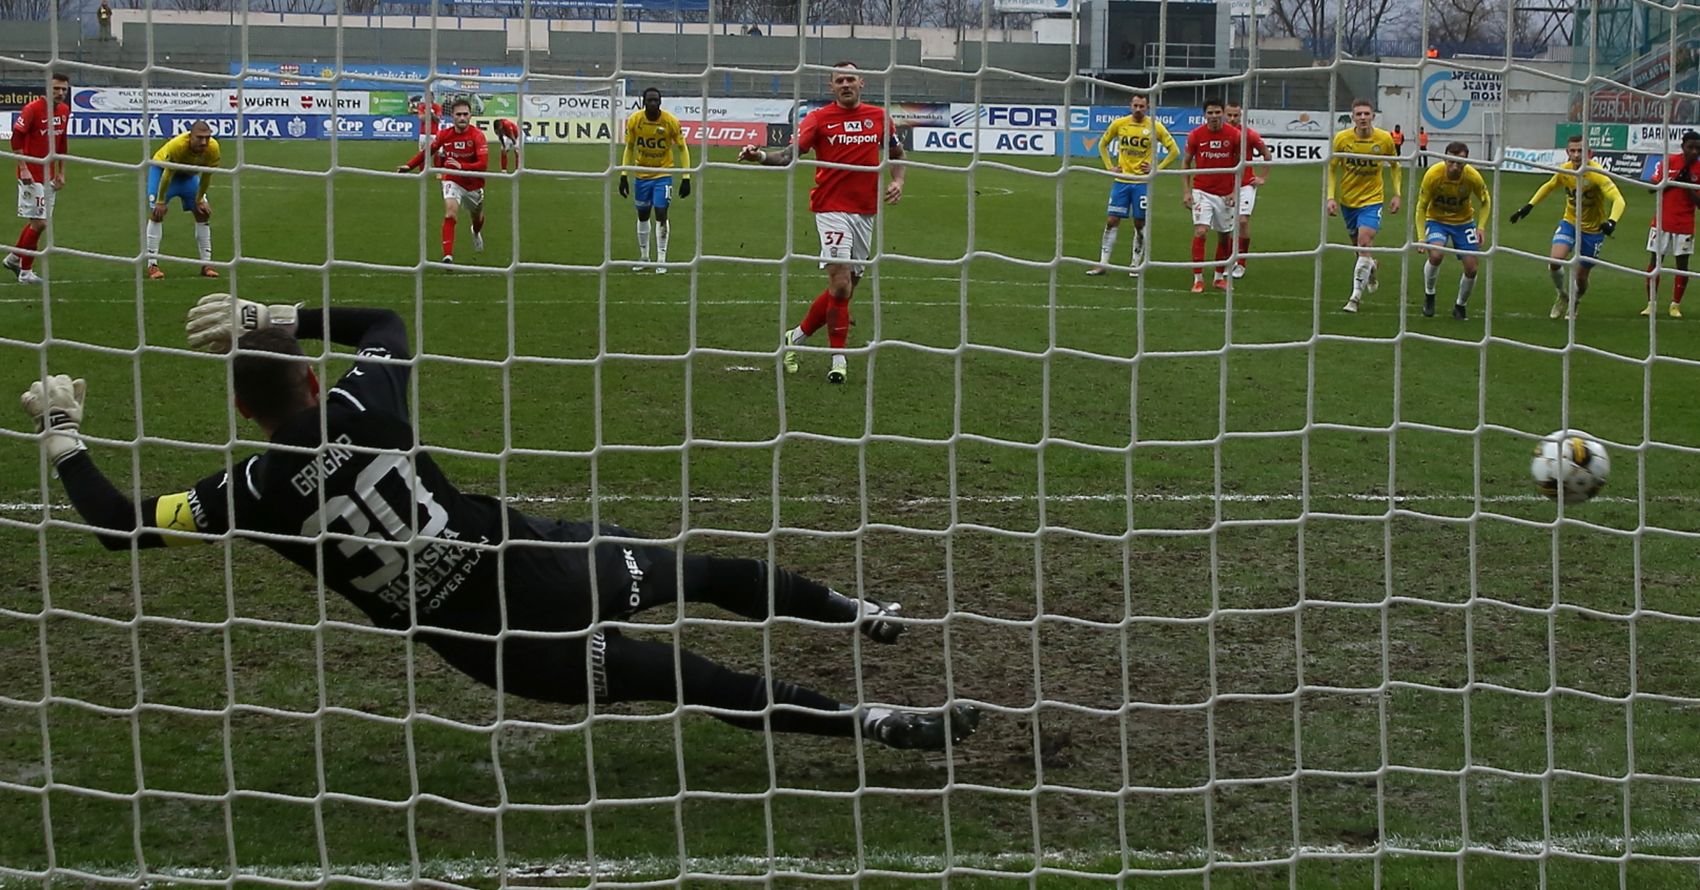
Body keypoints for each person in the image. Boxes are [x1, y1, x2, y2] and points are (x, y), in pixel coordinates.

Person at [17, 297, 979, 751]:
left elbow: (117, 524)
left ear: (243, 416)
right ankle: (860, 614)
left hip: (497, 651)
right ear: (311, 376)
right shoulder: (363, 407)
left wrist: (64, 435)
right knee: (706, 573)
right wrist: (279, 310)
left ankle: (877, 721)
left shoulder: (246, 493)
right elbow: (387, 325)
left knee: (697, 680)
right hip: (538, 575)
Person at [739, 62, 905, 385]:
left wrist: (898, 181)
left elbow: (897, 154)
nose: (845, 84)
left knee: (844, 290)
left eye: (850, 79)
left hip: (865, 212)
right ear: (831, 87)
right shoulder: (818, 119)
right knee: (841, 284)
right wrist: (759, 156)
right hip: (830, 208)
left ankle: (795, 338)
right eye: (839, 80)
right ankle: (838, 360)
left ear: (862, 82)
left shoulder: (879, 117)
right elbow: (789, 156)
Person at [1508, 134, 1626, 320]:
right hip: (1570, 222)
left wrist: (1612, 221)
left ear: (1590, 153)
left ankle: (1575, 301)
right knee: (1555, 261)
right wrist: (1529, 206)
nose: (1577, 155)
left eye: (1581, 151)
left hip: (1593, 231)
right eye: (1573, 151)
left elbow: (1618, 199)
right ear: (1567, 152)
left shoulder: (1597, 174)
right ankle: (1562, 295)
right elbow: (1549, 185)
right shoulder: (1565, 170)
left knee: (1581, 277)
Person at [1088, 93, 1178, 277]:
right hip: (1121, 182)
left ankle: (1135, 263)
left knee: (1139, 223)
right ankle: (1103, 263)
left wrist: (1156, 168)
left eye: (1142, 106)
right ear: (1131, 105)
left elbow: (1174, 151)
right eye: (1135, 105)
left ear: (1147, 108)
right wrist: (1109, 167)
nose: (1138, 109)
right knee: (1112, 221)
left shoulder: (1155, 127)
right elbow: (1103, 144)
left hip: (1142, 184)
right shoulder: (1120, 124)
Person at [1326, 99, 1401, 312]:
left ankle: (1354, 299)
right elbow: (1332, 168)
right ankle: (1372, 267)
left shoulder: (1384, 139)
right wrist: (1330, 197)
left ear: (1372, 117)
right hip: (1348, 201)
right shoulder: (1342, 139)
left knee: (1364, 242)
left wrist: (1397, 194)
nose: (1362, 117)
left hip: (1372, 200)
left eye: (1366, 113)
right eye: (1358, 114)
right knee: (1359, 250)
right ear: (1353, 117)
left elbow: (1395, 166)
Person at [396, 97, 489, 265]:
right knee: (450, 213)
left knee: (477, 219)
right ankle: (448, 256)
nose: (462, 118)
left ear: (470, 116)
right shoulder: (445, 135)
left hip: (474, 184)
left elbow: (483, 164)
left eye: (465, 114)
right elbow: (428, 151)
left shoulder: (477, 136)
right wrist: (409, 166)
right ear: (452, 116)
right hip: (452, 179)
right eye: (458, 114)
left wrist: (462, 165)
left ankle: (475, 233)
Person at [4, 71, 69, 286]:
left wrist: (61, 171)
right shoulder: (32, 109)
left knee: (39, 222)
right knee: (39, 223)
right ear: (47, 88)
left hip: (50, 174)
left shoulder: (64, 110)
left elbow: (62, 143)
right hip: (32, 176)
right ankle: (25, 272)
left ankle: (14, 258)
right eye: (56, 88)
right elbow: (16, 138)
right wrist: (23, 168)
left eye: (64, 89)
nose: (60, 93)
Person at [1415, 141, 1490, 320]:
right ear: (1445, 159)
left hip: (1464, 222)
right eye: (1451, 161)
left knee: (1472, 268)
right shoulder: (1433, 175)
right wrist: (1421, 237)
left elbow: (1486, 201)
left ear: (1466, 161)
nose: (1455, 166)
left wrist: (1481, 227)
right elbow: (1421, 207)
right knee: (1436, 255)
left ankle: (1460, 305)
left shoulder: (1473, 177)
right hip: (1437, 220)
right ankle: (1429, 295)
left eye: (1460, 162)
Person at [619, 88, 691, 273]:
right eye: (649, 100)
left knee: (661, 212)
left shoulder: (670, 122)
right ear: (644, 102)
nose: (653, 103)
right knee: (642, 215)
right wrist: (624, 175)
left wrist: (686, 177)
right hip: (641, 174)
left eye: (656, 100)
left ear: (660, 102)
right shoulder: (635, 120)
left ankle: (661, 259)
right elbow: (629, 148)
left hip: (663, 173)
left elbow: (682, 148)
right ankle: (644, 257)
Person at [1181, 98, 1245, 293]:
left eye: (1218, 112)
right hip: (1202, 191)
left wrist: (1235, 191)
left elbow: (1240, 167)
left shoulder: (1234, 135)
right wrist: (1186, 191)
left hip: (1225, 194)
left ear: (1223, 114)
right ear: (1205, 115)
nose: (1215, 116)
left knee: (1224, 236)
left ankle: (1218, 278)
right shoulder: (1196, 135)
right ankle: (1198, 279)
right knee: (1201, 231)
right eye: (1211, 112)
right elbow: (1186, 163)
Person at [145, 120, 222, 280]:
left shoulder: (213, 148)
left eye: (207, 138)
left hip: (187, 176)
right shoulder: (178, 145)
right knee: (157, 213)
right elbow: (167, 175)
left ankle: (206, 264)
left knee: (203, 213)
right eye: (199, 138)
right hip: (162, 171)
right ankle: (152, 265)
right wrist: (160, 201)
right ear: (190, 136)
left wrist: (200, 199)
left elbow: (207, 176)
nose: (204, 142)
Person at [1642, 129, 1700, 318]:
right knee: (1655, 262)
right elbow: (1652, 188)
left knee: (1681, 266)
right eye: (1690, 147)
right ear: (1683, 146)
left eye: (1697, 149)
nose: (1694, 152)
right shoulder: (1669, 162)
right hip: (1661, 223)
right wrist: (1673, 180)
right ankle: (1651, 303)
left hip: (1684, 224)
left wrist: (1687, 186)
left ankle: (1675, 305)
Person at [1223, 101, 1272, 279]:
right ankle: (1228, 260)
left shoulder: (1249, 135)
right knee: (1226, 225)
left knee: (1242, 221)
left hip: (1245, 185)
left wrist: (1263, 177)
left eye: (1236, 115)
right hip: (1224, 186)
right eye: (1229, 115)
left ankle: (1241, 263)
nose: (1232, 118)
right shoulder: (1218, 135)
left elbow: (1267, 155)